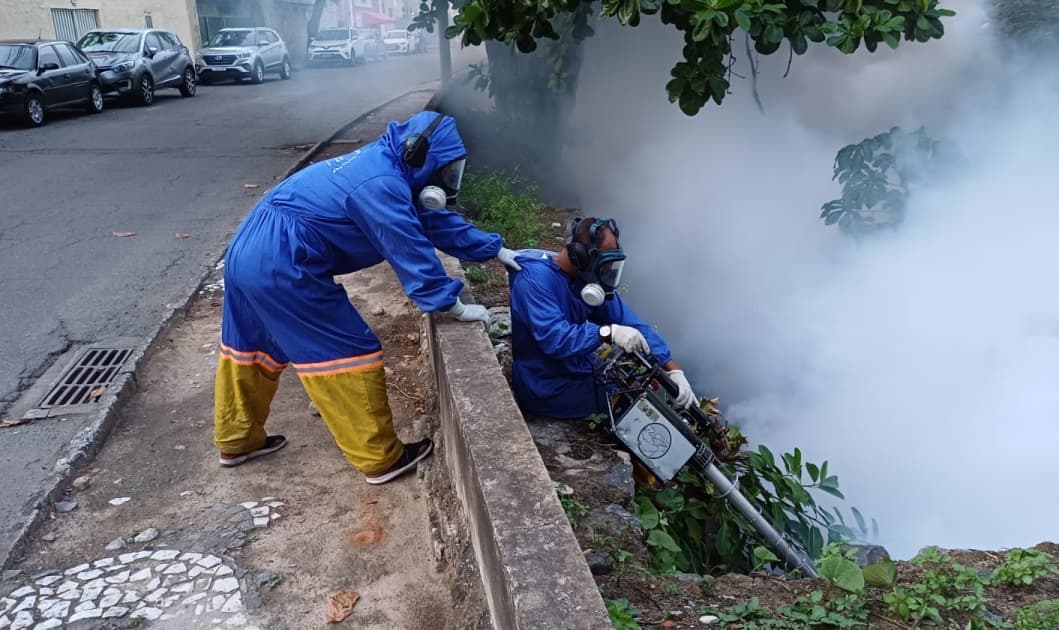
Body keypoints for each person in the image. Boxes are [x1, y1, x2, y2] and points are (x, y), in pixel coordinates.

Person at [213, 110, 523, 485]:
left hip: (247, 250)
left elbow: (430, 220)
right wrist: (452, 304)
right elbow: (412, 251)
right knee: (346, 350)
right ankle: (380, 458)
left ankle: (237, 440)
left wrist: (496, 250)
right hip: (282, 259)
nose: (448, 182)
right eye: (447, 170)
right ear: (419, 154)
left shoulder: (387, 167)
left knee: (251, 347)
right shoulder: (381, 184)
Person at [506, 217, 699, 419]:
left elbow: (629, 321)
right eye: (604, 265)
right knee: (635, 403)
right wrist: (607, 333)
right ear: (579, 256)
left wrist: (673, 369)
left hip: (579, 371)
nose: (608, 271)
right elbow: (555, 338)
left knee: (640, 384)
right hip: (546, 386)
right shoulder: (534, 281)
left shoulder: (585, 278)